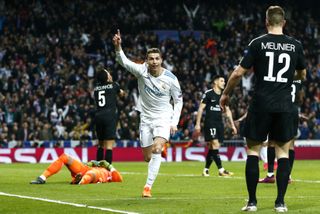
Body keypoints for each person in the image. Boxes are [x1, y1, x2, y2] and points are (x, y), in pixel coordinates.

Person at [219, 6, 306, 212]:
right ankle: (280, 203)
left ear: (266, 22)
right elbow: (302, 76)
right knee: (283, 152)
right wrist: (285, 78)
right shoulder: (296, 45)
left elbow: (239, 73)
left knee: (253, 151)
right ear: (283, 22)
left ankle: (252, 203)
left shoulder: (258, 43)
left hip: (261, 103)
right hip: (285, 104)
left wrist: (225, 94)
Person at [113, 29, 183, 197]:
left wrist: (174, 122)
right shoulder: (141, 71)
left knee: (157, 149)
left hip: (163, 118)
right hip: (145, 118)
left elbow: (179, 101)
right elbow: (124, 61)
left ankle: (147, 187)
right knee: (146, 157)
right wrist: (118, 47)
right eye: (151, 59)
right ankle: (159, 147)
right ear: (146, 61)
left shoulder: (171, 79)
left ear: (161, 60)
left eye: (157, 59)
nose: (154, 62)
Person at [259, 79, 306, 184]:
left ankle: (270, 175)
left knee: (271, 142)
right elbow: (301, 97)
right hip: (293, 110)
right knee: (291, 144)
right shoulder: (298, 80)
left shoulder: (282, 76)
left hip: (279, 108)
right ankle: (288, 176)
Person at [195, 75, 237, 177]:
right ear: (216, 82)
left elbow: (227, 111)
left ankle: (206, 170)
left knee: (213, 147)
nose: (224, 83)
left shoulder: (224, 96)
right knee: (215, 144)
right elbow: (201, 109)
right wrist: (197, 124)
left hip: (219, 123)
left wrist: (233, 125)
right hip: (210, 123)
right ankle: (221, 170)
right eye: (222, 81)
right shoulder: (208, 94)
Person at [93, 69, 125, 164]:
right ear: (107, 77)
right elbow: (122, 95)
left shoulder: (96, 89)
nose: (110, 74)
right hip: (109, 116)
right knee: (109, 146)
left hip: (98, 116)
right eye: (108, 74)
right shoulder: (114, 85)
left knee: (100, 145)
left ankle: (97, 170)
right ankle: (107, 172)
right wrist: (117, 88)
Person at [30, 153, 123, 184]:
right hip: (84, 169)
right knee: (64, 157)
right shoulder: (99, 166)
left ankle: (79, 181)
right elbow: (89, 165)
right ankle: (42, 178)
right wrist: (90, 163)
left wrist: (109, 166)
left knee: (92, 174)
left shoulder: (108, 173)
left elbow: (119, 179)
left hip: (98, 175)